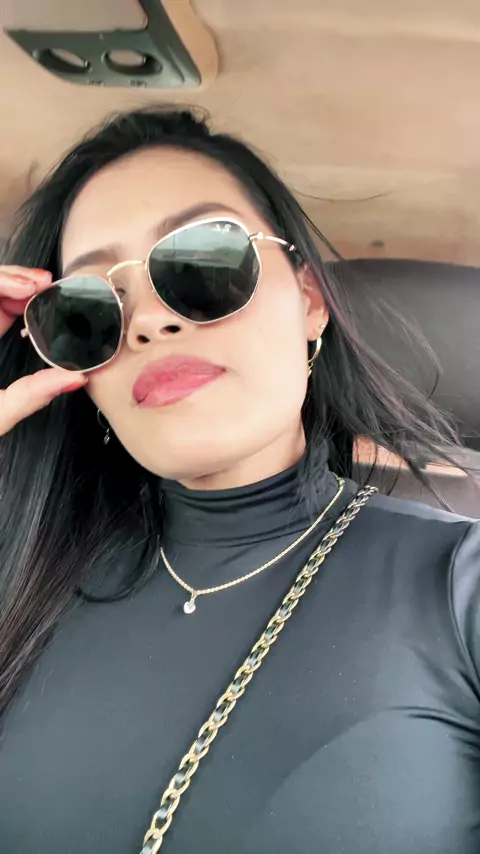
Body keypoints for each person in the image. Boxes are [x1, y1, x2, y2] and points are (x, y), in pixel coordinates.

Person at [0, 106, 479, 854]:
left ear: (309, 304)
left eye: (203, 263)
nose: (148, 323)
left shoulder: (461, 584)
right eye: (89, 308)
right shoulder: (24, 574)